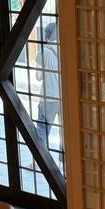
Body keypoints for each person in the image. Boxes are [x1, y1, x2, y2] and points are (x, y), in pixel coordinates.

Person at [35, 21, 61, 150]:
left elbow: (39, 76)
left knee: (42, 130)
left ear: (47, 34)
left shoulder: (43, 52)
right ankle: (63, 159)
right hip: (64, 98)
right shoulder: (65, 50)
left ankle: (39, 158)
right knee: (64, 131)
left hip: (48, 97)